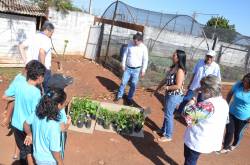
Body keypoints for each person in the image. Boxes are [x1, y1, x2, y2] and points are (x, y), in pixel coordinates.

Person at [2, 61, 46, 165]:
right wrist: (30, 133)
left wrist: (17, 97)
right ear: (39, 77)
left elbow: (6, 96)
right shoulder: (36, 93)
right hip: (27, 128)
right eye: (43, 76)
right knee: (30, 152)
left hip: (16, 125)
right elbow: (35, 113)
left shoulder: (19, 85)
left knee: (22, 150)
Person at [182, 75, 229, 165]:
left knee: (190, 161)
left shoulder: (208, 105)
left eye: (203, 89)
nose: (202, 92)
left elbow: (185, 113)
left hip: (197, 140)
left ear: (208, 90)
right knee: (190, 159)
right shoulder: (223, 103)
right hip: (208, 139)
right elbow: (225, 121)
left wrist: (193, 97)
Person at [23, 88, 67, 165]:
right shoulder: (54, 126)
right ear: (59, 105)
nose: (65, 104)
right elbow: (55, 151)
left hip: (37, 155)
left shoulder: (37, 113)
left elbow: (25, 124)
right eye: (64, 102)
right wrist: (60, 162)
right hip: (49, 160)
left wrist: (29, 134)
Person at [153, 50, 186, 142]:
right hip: (169, 94)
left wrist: (167, 88)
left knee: (169, 114)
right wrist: (158, 88)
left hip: (174, 95)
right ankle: (163, 130)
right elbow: (165, 79)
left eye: (174, 55)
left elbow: (178, 86)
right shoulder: (173, 67)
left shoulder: (180, 70)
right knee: (167, 113)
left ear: (179, 58)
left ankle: (168, 135)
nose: (172, 55)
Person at [19, 21, 55, 93]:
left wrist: (26, 62)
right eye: (51, 33)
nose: (51, 35)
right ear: (47, 30)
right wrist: (43, 70)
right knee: (46, 90)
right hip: (42, 70)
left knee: (31, 89)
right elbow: (42, 52)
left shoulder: (33, 36)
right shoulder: (47, 39)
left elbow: (21, 46)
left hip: (31, 68)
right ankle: (44, 103)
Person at [218, 73, 250, 154]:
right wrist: (226, 105)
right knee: (229, 131)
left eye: (247, 82)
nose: (244, 83)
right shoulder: (238, 84)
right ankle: (225, 146)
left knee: (237, 133)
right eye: (244, 80)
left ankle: (234, 144)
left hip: (244, 117)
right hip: (231, 112)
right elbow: (230, 94)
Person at [115, 32, 148, 105]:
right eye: (134, 41)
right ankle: (119, 96)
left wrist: (143, 70)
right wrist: (123, 64)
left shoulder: (144, 48)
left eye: (136, 41)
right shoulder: (130, 44)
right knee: (123, 82)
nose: (135, 42)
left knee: (133, 84)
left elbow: (145, 59)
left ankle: (129, 98)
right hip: (128, 68)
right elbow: (125, 54)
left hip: (137, 69)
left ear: (140, 41)